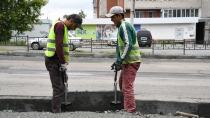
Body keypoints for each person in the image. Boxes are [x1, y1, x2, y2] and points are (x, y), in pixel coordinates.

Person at [106, 6, 141, 113]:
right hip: (127, 61)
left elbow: (128, 44)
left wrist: (120, 60)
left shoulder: (124, 26)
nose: (111, 19)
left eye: (113, 17)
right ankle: (127, 107)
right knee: (122, 85)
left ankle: (130, 111)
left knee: (127, 87)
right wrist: (118, 61)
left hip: (131, 61)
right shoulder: (122, 26)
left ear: (119, 16)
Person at [44, 14, 83, 113]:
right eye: (75, 26)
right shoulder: (60, 26)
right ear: (71, 21)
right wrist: (62, 62)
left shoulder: (63, 27)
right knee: (58, 87)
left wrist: (63, 61)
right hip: (53, 60)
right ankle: (56, 111)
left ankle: (59, 108)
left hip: (56, 60)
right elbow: (59, 44)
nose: (75, 29)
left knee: (63, 82)